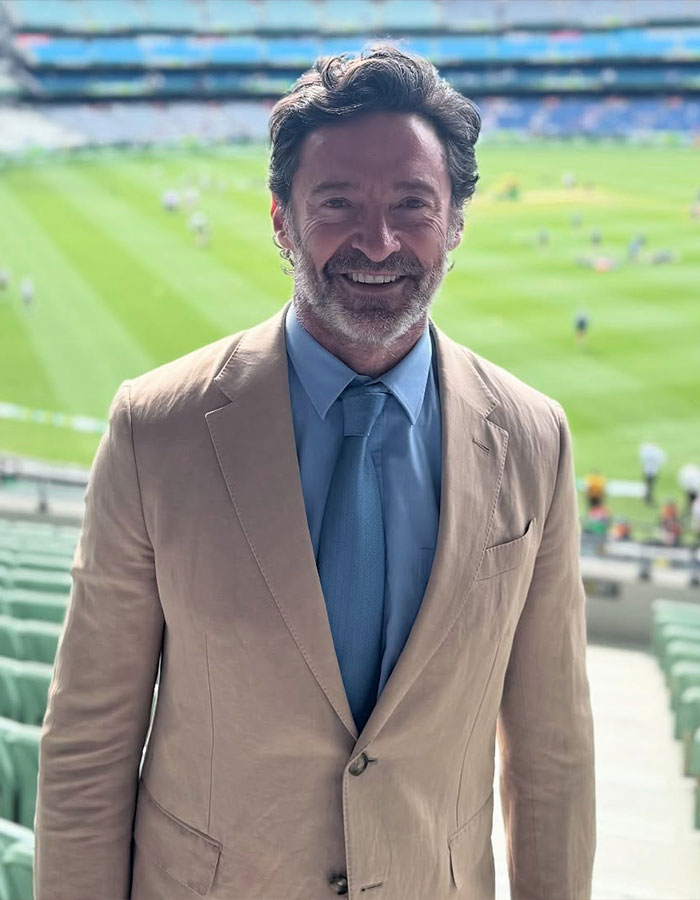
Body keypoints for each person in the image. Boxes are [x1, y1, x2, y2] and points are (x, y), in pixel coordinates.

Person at [34, 45, 595, 900]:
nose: (379, 240)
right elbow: (87, 748)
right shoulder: (156, 430)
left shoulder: (534, 439)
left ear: (455, 223)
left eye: (413, 204)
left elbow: (551, 756)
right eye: (338, 203)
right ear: (282, 219)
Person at [639, 441, 666, 505]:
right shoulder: (655, 453)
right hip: (652, 472)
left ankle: (647, 497)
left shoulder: (645, 451)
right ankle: (648, 498)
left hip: (647, 471)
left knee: (648, 485)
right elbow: (662, 460)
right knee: (650, 486)